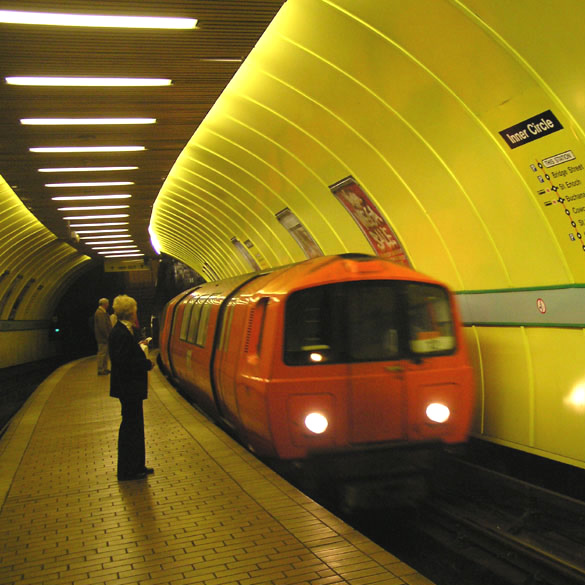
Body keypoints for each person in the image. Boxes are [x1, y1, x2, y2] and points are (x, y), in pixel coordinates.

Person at [108, 294, 154, 481]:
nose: (136, 312)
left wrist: (139, 346)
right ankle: (129, 470)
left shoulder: (124, 331)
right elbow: (123, 362)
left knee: (135, 426)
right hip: (128, 388)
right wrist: (145, 364)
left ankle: (137, 465)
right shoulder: (119, 333)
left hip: (130, 388)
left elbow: (126, 356)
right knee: (130, 428)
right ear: (130, 312)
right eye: (135, 309)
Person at [94, 298, 112, 375]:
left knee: (105, 354)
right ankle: (101, 369)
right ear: (104, 304)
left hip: (104, 338)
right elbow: (102, 327)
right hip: (103, 338)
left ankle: (104, 368)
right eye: (107, 304)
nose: (108, 305)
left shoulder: (102, 312)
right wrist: (108, 336)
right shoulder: (100, 313)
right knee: (102, 353)